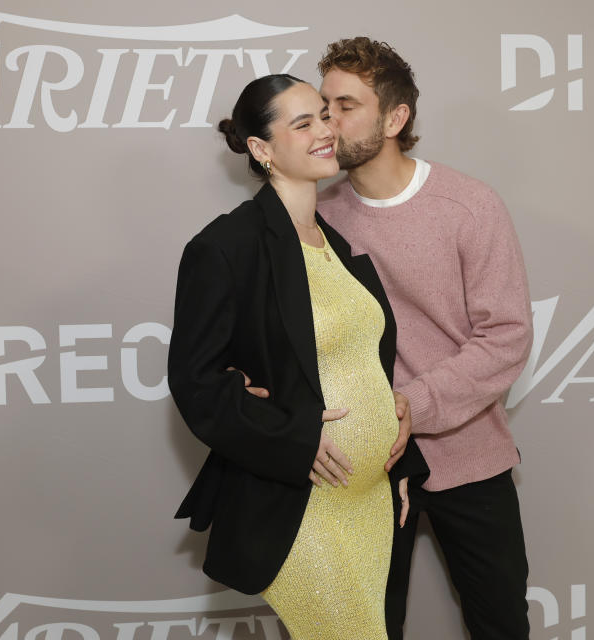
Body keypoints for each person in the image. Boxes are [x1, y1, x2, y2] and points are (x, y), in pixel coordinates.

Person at [167, 73, 428, 640]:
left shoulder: (335, 243)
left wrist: (399, 463)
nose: (325, 131)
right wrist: (293, 437)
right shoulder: (226, 246)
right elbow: (196, 383)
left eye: (326, 117)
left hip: (371, 504)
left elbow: (365, 367)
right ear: (261, 149)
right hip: (304, 508)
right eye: (302, 122)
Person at [315, 39, 535, 639]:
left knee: (501, 627)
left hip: (470, 455)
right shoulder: (315, 218)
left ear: (395, 118)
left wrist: (414, 403)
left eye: (347, 105)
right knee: (365, 629)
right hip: (363, 466)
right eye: (324, 105)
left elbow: (506, 337)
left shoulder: (469, 206)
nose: (329, 121)